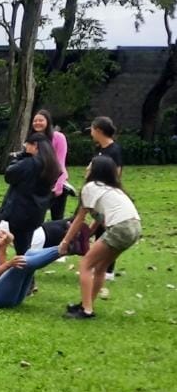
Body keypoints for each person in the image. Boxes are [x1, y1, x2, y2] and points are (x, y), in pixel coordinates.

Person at [58, 156, 141, 319]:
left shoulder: (91, 187)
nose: (86, 168)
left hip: (120, 227)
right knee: (101, 266)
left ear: (96, 171)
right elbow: (100, 216)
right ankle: (86, 304)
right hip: (134, 227)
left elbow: (79, 218)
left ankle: (86, 310)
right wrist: (88, 233)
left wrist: (65, 242)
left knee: (85, 264)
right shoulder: (113, 189)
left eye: (90, 166)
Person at [0, 132, 62, 254]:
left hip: (20, 211)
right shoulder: (52, 165)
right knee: (26, 243)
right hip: (37, 211)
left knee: (21, 248)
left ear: (35, 145)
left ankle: (25, 265)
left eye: (27, 145)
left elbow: (9, 175)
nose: (25, 148)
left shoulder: (29, 163)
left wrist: (19, 157)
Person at [87, 115, 123, 280]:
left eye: (92, 129)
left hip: (107, 194)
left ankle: (108, 270)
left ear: (99, 130)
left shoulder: (114, 150)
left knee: (106, 229)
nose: (91, 133)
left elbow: (117, 174)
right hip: (97, 192)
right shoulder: (100, 149)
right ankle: (99, 266)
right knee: (99, 229)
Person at [30, 109, 69, 220]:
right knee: (35, 216)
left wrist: (59, 183)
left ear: (48, 121)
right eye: (35, 121)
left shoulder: (58, 137)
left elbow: (61, 162)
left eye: (41, 120)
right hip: (38, 183)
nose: (37, 123)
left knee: (57, 217)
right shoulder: (32, 140)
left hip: (56, 181)